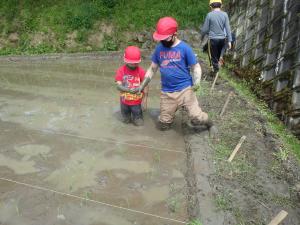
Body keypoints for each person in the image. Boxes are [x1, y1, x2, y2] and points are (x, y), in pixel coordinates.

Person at [138, 17, 214, 131]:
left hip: (185, 89)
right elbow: (152, 69)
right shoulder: (159, 49)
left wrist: (197, 82)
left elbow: (196, 67)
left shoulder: (184, 48)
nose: (163, 41)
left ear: (175, 34)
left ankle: (210, 124)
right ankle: (167, 119)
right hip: (167, 92)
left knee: (196, 117)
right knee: (163, 125)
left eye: (166, 38)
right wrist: (142, 85)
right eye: (161, 39)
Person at [115, 46, 147, 126]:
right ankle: (127, 118)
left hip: (136, 102)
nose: (133, 65)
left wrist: (145, 100)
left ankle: (137, 118)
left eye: (135, 63)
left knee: (139, 122)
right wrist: (128, 90)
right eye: (131, 63)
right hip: (124, 101)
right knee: (126, 120)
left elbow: (146, 86)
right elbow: (118, 86)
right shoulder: (121, 71)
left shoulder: (141, 71)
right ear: (125, 60)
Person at [201, 0, 232, 73]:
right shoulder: (225, 14)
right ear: (221, 5)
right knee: (217, 56)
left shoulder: (209, 15)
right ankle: (218, 64)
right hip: (222, 39)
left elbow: (205, 29)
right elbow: (228, 28)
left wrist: (202, 37)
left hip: (212, 39)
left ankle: (215, 71)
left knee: (212, 56)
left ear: (211, 6)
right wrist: (230, 41)